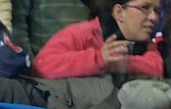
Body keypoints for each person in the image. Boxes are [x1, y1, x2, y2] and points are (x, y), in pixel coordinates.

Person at [32, 0, 163, 80]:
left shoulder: (148, 44)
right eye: (145, 8)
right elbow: (42, 66)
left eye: (157, 11)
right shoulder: (83, 33)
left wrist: (115, 62)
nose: (154, 17)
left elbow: (156, 67)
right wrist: (98, 59)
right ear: (119, 12)